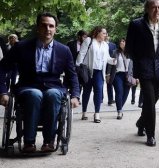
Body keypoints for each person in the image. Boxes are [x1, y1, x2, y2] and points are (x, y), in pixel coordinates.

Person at [0, 12, 80, 153]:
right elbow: (2, 68)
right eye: (44, 25)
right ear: (38, 27)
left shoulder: (64, 50)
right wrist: (3, 92)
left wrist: (75, 95)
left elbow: (72, 75)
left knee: (53, 94)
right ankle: (29, 142)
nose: (47, 29)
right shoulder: (21, 47)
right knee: (34, 94)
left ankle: (49, 141)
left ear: (55, 29)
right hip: (27, 85)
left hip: (54, 86)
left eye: (51, 26)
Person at [125, 0, 159, 147]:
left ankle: (140, 122)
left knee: (152, 100)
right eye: (154, 7)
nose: (157, 10)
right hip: (144, 69)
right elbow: (129, 49)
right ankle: (150, 135)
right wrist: (137, 66)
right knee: (150, 101)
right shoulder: (136, 25)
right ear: (147, 9)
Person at [76, 26, 115, 123]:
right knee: (86, 91)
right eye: (104, 33)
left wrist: (114, 60)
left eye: (106, 33)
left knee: (98, 91)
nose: (106, 35)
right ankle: (84, 112)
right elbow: (81, 54)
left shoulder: (105, 45)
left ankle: (97, 113)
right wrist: (78, 67)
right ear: (98, 33)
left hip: (99, 72)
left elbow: (107, 58)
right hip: (88, 71)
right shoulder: (89, 41)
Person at [106, 38, 136, 120]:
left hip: (128, 75)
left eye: (123, 41)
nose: (121, 43)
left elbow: (135, 65)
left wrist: (136, 76)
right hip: (117, 74)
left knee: (126, 93)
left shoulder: (131, 53)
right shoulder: (115, 52)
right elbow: (110, 64)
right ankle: (119, 111)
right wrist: (108, 74)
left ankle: (120, 108)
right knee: (119, 91)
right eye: (120, 41)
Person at [105, 34, 116, 106]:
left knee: (109, 82)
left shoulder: (113, 45)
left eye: (107, 35)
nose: (106, 36)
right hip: (102, 64)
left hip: (111, 65)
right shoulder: (100, 44)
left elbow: (115, 55)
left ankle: (110, 99)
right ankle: (100, 97)